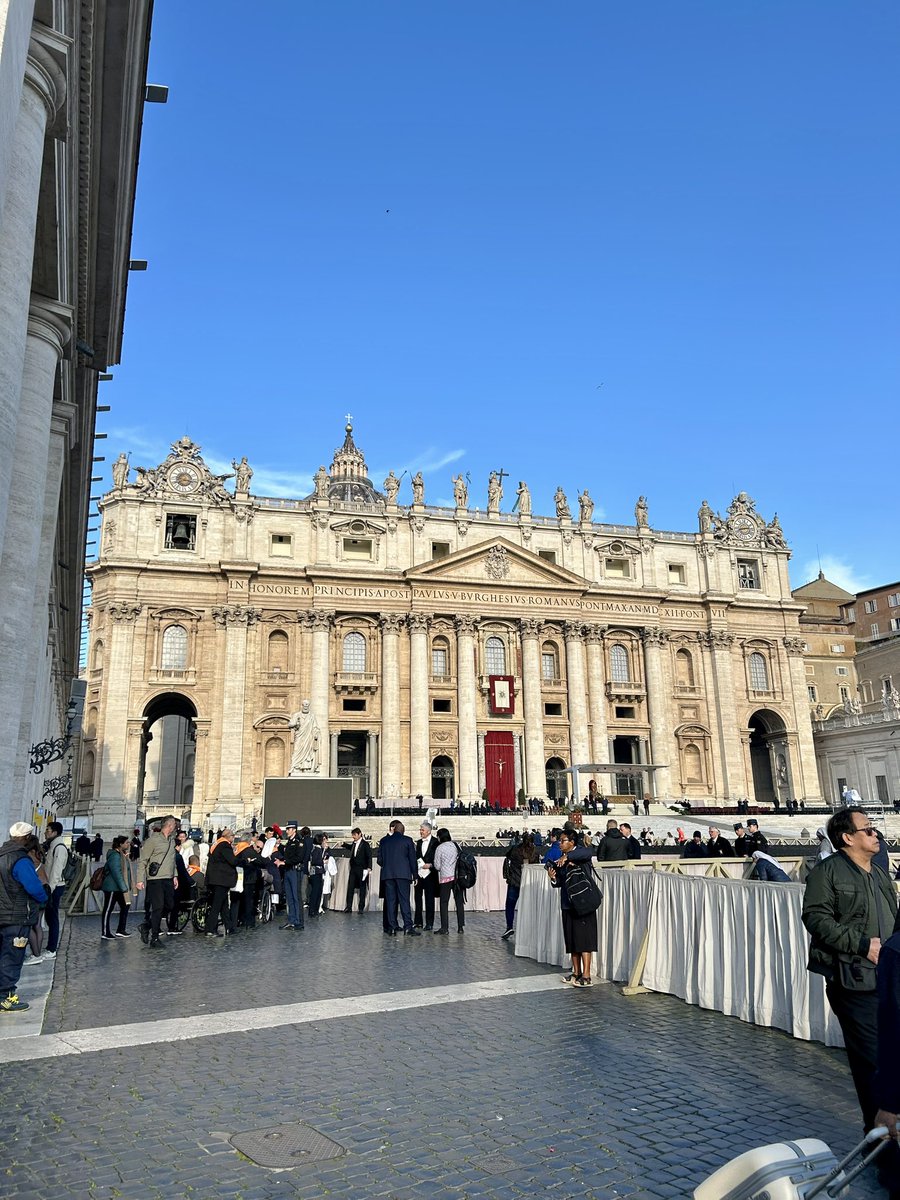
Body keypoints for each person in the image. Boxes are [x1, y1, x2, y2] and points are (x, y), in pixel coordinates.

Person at [802, 806, 900, 1139]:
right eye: (868, 829)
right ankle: (879, 1136)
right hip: (852, 978)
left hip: (886, 976)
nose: (876, 834)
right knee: (872, 1061)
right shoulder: (826, 872)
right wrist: (861, 944)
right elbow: (815, 918)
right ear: (847, 837)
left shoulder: (879, 873)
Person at [0, 823, 49, 1012]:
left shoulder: (2, 855)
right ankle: (5, 997)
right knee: (12, 957)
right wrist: (44, 897)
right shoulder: (20, 860)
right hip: (17, 917)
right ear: (27, 837)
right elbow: (34, 887)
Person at [546, 828, 597, 988]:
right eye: (560, 841)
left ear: (572, 842)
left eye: (563, 841)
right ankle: (576, 972)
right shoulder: (561, 858)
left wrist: (568, 856)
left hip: (583, 903)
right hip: (567, 903)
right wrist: (553, 878)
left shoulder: (581, 853)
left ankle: (587, 975)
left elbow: (588, 852)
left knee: (585, 940)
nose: (560, 844)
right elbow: (560, 882)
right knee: (572, 939)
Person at [136, 816, 178, 947]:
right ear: (169, 825)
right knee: (158, 907)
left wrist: (175, 876)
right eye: (174, 825)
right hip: (155, 879)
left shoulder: (172, 841)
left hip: (168, 878)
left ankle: (146, 926)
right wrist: (139, 879)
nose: (175, 827)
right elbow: (143, 861)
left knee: (170, 905)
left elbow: (172, 860)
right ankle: (154, 938)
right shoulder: (152, 840)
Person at [377, 821, 418, 936]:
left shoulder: (384, 841)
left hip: (388, 875)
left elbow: (379, 860)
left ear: (394, 829)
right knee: (404, 901)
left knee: (391, 901)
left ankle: (392, 927)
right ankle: (408, 927)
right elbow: (412, 860)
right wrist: (415, 875)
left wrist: (388, 866)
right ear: (403, 831)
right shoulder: (408, 840)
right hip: (403, 875)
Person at [41, 820, 71, 962]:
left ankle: (52, 949)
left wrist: (50, 889)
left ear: (54, 832)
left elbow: (56, 871)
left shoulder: (59, 847)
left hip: (55, 886)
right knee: (49, 916)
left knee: (52, 918)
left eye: (48, 830)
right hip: (51, 885)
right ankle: (50, 947)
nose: (45, 832)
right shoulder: (53, 845)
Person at [501, 832, 539, 939]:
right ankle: (530, 929)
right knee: (529, 906)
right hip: (528, 883)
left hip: (515, 881)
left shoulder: (515, 849)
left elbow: (507, 856)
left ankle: (509, 927)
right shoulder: (535, 852)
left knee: (510, 905)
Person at [204, 828, 239, 937]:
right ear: (229, 836)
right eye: (233, 836)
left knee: (223, 904)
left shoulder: (216, 844)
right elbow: (233, 861)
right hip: (221, 879)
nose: (234, 838)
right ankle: (210, 929)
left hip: (214, 878)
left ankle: (229, 927)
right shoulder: (225, 845)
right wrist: (242, 859)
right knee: (217, 905)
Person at [433, 828, 465, 934]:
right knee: (459, 902)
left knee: (444, 902)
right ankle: (460, 927)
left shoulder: (440, 848)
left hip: (445, 878)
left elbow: (437, 866)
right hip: (457, 877)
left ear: (440, 837)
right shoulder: (456, 845)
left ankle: (444, 928)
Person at [100, 836, 131, 940]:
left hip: (119, 887)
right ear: (120, 844)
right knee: (108, 909)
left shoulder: (121, 855)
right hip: (112, 887)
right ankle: (105, 932)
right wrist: (124, 887)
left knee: (125, 906)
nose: (128, 844)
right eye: (126, 842)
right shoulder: (115, 856)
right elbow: (116, 873)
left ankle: (121, 930)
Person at [277, 824, 305, 931]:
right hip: (288, 870)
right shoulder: (289, 842)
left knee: (296, 897)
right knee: (289, 897)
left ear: (294, 830)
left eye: (289, 829)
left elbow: (299, 857)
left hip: (295, 870)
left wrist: (284, 862)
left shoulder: (299, 842)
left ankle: (298, 922)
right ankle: (292, 920)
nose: (287, 831)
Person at [414, 820, 438, 931]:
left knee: (429, 899)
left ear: (428, 831)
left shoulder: (436, 842)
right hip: (419, 874)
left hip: (430, 875)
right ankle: (418, 922)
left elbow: (438, 858)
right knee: (417, 898)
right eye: (420, 829)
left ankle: (429, 923)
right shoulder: (418, 842)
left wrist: (431, 865)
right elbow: (417, 856)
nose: (420, 832)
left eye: (422, 830)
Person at [344, 828, 372, 913]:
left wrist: (369, 867)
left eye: (354, 835)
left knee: (362, 888)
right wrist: (344, 845)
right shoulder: (354, 843)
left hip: (362, 869)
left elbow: (369, 856)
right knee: (350, 887)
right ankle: (349, 907)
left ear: (359, 834)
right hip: (353, 869)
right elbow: (351, 848)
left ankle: (361, 908)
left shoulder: (365, 844)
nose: (353, 837)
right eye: (352, 835)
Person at [305, 834, 326, 919]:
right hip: (316, 872)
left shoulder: (316, 849)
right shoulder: (317, 849)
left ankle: (315, 910)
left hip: (316, 872)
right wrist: (322, 861)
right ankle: (313, 910)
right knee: (315, 892)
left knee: (318, 891)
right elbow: (315, 861)